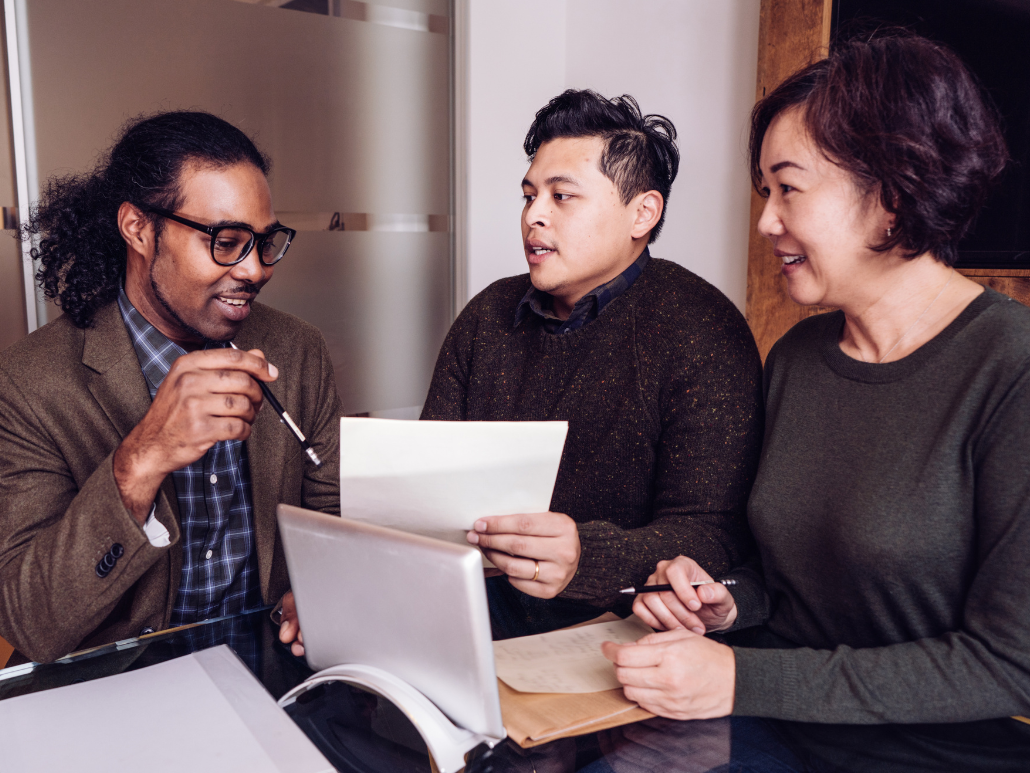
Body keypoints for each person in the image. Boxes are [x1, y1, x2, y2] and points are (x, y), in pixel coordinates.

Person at [601, 33, 1030, 771]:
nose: (767, 220)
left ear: (894, 192)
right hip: (775, 723)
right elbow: (785, 577)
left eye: (789, 188)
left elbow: (1005, 662)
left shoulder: (1009, 367)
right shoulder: (797, 359)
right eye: (765, 191)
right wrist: (727, 602)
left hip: (930, 754)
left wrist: (741, 679)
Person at [0, 112, 340, 664]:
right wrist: (141, 458)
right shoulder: (26, 385)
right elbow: (32, 621)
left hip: (266, 663)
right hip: (112, 689)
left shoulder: (296, 350)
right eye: (226, 241)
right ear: (138, 228)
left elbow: (334, 513)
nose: (254, 269)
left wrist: (322, 588)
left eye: (265, 241)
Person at [421, 90, 763, 638]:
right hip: (465, 610)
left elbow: (715, 534)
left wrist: (587, 556)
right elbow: (426, 483)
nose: (534, 216)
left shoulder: (702, 329)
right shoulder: (489, 313)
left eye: (563, 197)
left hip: (618, 630)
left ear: (642, 213)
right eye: (529, 195)